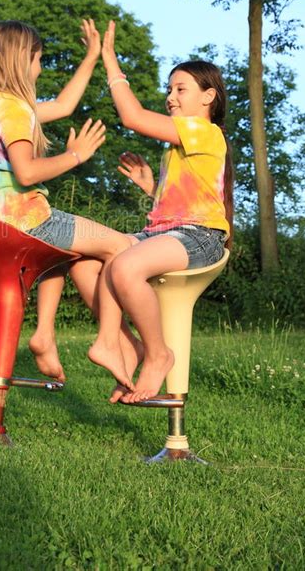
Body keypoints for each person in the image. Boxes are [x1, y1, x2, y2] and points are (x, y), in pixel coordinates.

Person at [0, 19, 138, 390]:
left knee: (69, 252)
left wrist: (92, 56)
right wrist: (75, 155)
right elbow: (26, 173)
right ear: (21, 60)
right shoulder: (14, 111)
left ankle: (44, 334)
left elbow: (63, 105)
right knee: (123, 246)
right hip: (27, 222)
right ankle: (115, 341)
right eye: (39, 60)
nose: (41, 69)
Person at [101, 20, 234, 403]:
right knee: (88, 260)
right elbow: (185, 195)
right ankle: (126, 348)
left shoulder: (204, 131)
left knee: (125, 266)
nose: (171, 97)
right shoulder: (178, 146)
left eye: (181, 89)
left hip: (200, 237)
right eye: (169, 89)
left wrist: (111, 62)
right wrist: (151, 186)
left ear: (208, 97)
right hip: (168, 234)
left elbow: (133, 117)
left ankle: (158, 354)